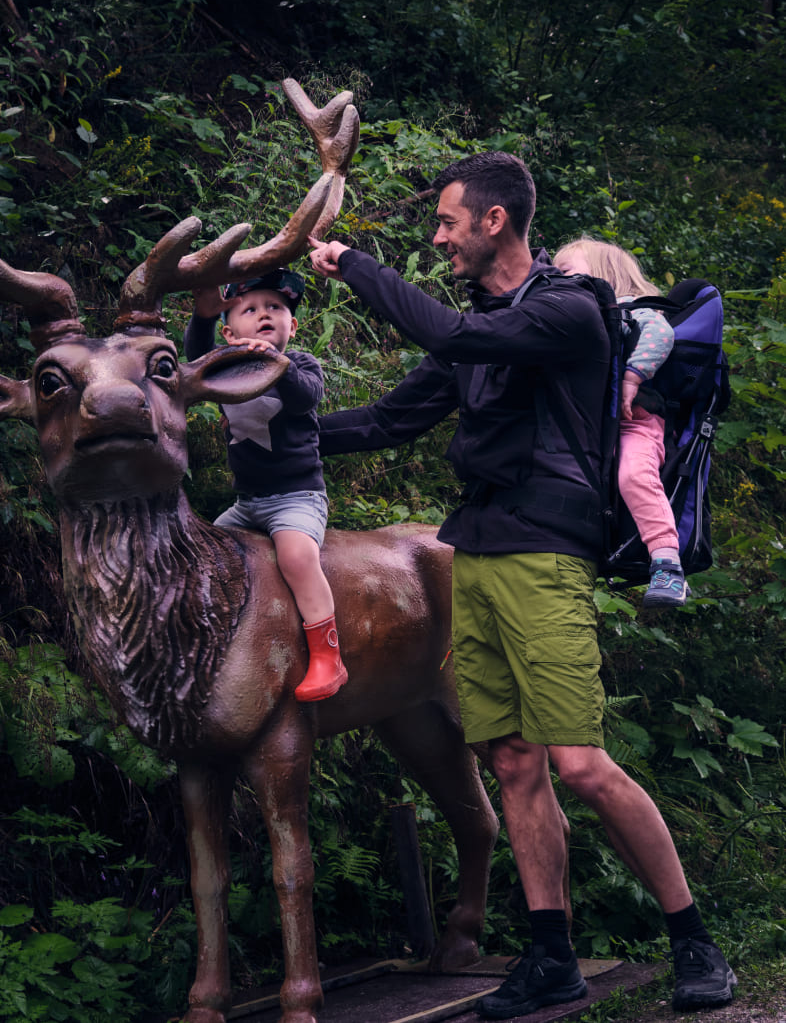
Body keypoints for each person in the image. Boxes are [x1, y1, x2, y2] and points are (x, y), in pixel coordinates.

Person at [308, 152, 736, 1018]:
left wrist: (354, 263)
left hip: (548, 548)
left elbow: (455, 337)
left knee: (579, 760)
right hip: (476, 547)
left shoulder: (569, 311)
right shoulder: (482, 327)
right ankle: (552, 956)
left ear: (493, 220)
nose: (439, 238)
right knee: (510, 758)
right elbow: (390, 419)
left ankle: (696, 941)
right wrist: (266, 435)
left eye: (448, 223)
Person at [183, 268, 347, 702]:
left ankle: (328, 656)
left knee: (296, 557)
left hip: (297, 498)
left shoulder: (300, 364)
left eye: (276, 308)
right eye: (250, 309)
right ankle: (209, 641)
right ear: (229, 328)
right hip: (248, 502)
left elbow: (305, 396)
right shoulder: (225, 369)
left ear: (292, 326)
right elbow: (193, 364)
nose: (264, 315)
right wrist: (201, 317)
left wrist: (274, 362)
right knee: (203, 553)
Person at [553, 238, 688, 607]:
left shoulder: (633, 309)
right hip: (600, 429)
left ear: (605, 274)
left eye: (565, 271)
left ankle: (667, 563)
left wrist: (633, 377)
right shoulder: (580, 318)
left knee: (633, 475)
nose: (556, 276)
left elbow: (662, 335)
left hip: (637, 423)